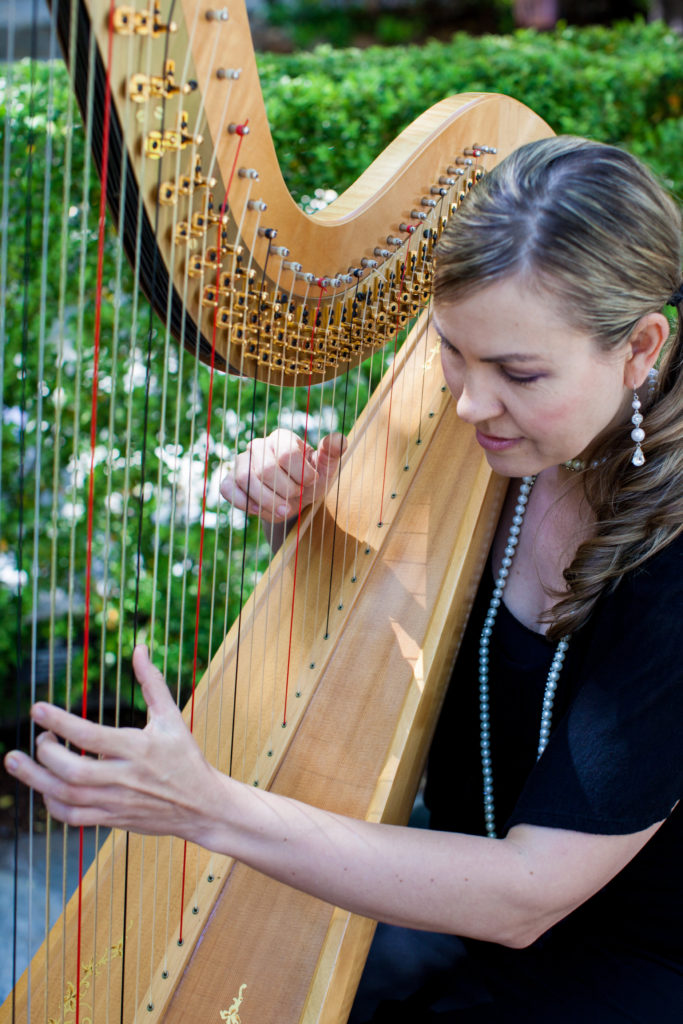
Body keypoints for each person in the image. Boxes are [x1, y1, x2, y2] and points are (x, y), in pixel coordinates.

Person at [4, 136, 683, 1021]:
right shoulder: (505, 448)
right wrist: (319, 514)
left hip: (620, 960)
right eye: (452, 352)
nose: (470, 403)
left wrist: (209, 807)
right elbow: (436, 636)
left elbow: (525, 892)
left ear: (639, 349)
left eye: (518, 373)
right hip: (454, 896)